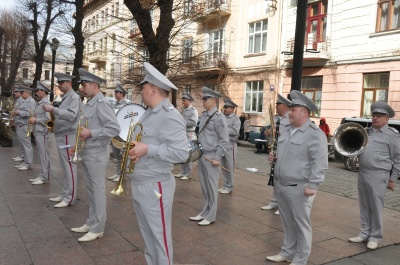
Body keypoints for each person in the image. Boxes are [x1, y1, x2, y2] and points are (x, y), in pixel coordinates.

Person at [127, 62, 188, 264]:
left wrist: (147, 149)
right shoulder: (149, 113)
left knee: (159, 238)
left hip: (156, 185)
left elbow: (181, 153)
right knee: (149, 238)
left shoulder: (169, 115)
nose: (141, 91)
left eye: (143, 87)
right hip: (142, 182)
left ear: (152, 89)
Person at [266, 90, 328, 265]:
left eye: (294, 109)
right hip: (281, 184)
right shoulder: (287, 130)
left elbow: (320, 162)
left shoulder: (315, 134)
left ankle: (300, 259)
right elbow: (284, 152)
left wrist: (313, 185)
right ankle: (287, 252)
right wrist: (273, 156)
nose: (290, 112)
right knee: (287, 222)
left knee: (301, 225)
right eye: (290, 109)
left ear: (305, 112)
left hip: (300, 187)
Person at [69, 68, 120, 242]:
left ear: (94, 85)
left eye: (84, 84)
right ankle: (91, 222)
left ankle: (98, 227)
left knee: (97, 191)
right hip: (88, 151)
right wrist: (76, 145)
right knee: (91, 190)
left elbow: (114, 128)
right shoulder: (90, 103)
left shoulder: (102, 103)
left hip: (97, 153)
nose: (82, 88)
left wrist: (91, 133)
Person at [348, 101, 400, 250]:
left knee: (376, 207)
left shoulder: (392, 135)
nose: (375, 118)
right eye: (374, 115)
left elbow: (398, 159)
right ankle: (364, 232)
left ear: (387, 119)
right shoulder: (366, 132)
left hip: (379, 174)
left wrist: (392, 179)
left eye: (379, 116)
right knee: (364, 204)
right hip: (363, 172)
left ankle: (375, 236)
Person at [189, 86, 229, 225]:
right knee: (205, 187)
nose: (203, 101)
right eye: (203, 99)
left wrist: (218, 158)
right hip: (202, 154)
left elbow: (224, 140)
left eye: (205, 99)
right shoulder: (205, 115)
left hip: (212, 156)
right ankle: (205, 211)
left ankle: (211, 215)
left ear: (213, 100)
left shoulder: (219, 118)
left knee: (212, 187)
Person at [43, 73, 80, 208]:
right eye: (59, 83)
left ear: (69, 83)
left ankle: (70, 197)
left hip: (68, 134)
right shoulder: (66, 98)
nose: (59, 85)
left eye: (61, 83)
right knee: (65, 167)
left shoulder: (74, 98)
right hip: (62, 134)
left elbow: (71, 115)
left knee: (70, 167)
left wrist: (54, 109)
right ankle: (65, 193)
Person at [261, 94, 291, 214]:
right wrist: (268, 133)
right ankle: (274, 201)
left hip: (284, 152)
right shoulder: (276, 118)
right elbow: (271, 133)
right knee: (274, 177)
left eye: (278, 105)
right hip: (274, 150)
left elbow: (290, 135)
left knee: (283, 178)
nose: (276, 107)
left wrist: (278, 133)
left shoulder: (290, 119)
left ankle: (283, 205)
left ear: (284, 105)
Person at [28, 82, 51, 185]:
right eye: (36, 91)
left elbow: (49, 120)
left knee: (43, 155)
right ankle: (42, 174)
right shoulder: (40, 102)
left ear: (43, 91)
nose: (36, 92)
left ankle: (44, 176)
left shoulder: (46, 103)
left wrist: (36, 120)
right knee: (42, 155)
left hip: (42, 132)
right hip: (38, 132)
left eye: (38, 91)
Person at [107, 84, 131, 183]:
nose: (115, 94)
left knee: (122, 155)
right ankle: (117, 173)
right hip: (115, 132)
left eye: (117, 92)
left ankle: (121, 174)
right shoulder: (114, 104)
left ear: (122, 93)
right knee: (116, 154)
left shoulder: (127, 105)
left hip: (123, 133)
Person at [174, 91, 198, 180]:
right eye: (182, 100)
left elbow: (193, 122)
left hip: (189, 133)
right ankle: (183, 171)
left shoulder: (193, 111)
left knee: (188, 154)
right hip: (182, 133)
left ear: (189, 100)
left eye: (184, 100)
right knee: (182, 152)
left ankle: (188, 173)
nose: (183, 102)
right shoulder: (182, 110)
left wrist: (182, 122)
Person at [219, 97, 240, 194]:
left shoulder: (236, 119)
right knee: (223, 166)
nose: (225, 109)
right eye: (224, 107)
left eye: (227, 107)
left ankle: (230, 186)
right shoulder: (222, 117)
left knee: (230, 167)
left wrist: (224, 130)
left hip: (230, 145)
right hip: (222, 144)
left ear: (232, 108)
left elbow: (235, 132)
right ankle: (225, 185)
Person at [12, 86, 36, 171]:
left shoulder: (31, 101)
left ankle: (28, 163)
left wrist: (19, 112)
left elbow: (30, 113)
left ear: (27, 92)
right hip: (21, 124)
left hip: (25, 125)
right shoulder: (26, 101)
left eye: (22, 93)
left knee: (27, 146)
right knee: (24, 145)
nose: (21, 94)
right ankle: (25, 161)